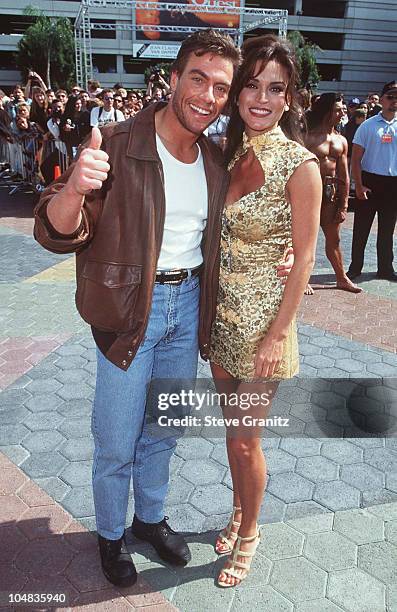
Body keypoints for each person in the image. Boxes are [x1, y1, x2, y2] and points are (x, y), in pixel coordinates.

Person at [209, 34, 322, 588]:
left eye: (274, 88)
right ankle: (237, 513)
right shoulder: (229, 152)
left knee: (245, 440)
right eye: (250, 85)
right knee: (231, 435)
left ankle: (250, 533)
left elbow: (304, 260)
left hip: (263, 332)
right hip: (222, 322)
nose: (260, 98)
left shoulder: (300, 165)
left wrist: (279, 333)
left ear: (289, 98)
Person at [304, 93, 362, 293]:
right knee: (305, 239)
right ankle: (302, 279)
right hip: (309, 193)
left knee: (334, 239)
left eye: (343, 109)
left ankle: (341, 278)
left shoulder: (341, 141)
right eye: (338, 109)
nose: (342, 113)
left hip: (331, 194)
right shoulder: (307, 136)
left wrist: (344, 204)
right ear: (327, 111)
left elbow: (344, 175)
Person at [347, 80, 397, 281]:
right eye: (390, 97)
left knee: (387, 229)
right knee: (361, 228)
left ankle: (385, 268)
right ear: (382, 99)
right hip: (369, 181)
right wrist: (358, 185)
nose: (394, 101)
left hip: (393, 184)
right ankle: (355, 267)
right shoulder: (367, 126)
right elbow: (356, 159)